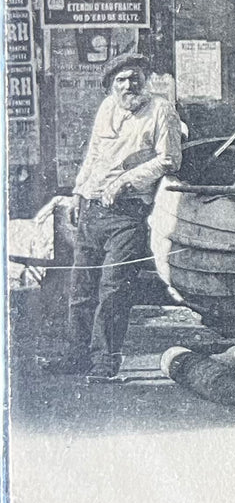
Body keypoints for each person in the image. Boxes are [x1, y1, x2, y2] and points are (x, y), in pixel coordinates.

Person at [45, 54, 183, 382]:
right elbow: (93, 153)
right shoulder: (108, 107)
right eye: (120, 80)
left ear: (145, 79)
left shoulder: (161, 110)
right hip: (93, 211)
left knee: (113, 290)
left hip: (128, 215)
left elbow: (170, 159)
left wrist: (126, 181)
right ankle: (77, 356)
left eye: (134, 78)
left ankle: (105, 362)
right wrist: (79, 192)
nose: (128, 86)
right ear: (111, 85)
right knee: (81, 289)